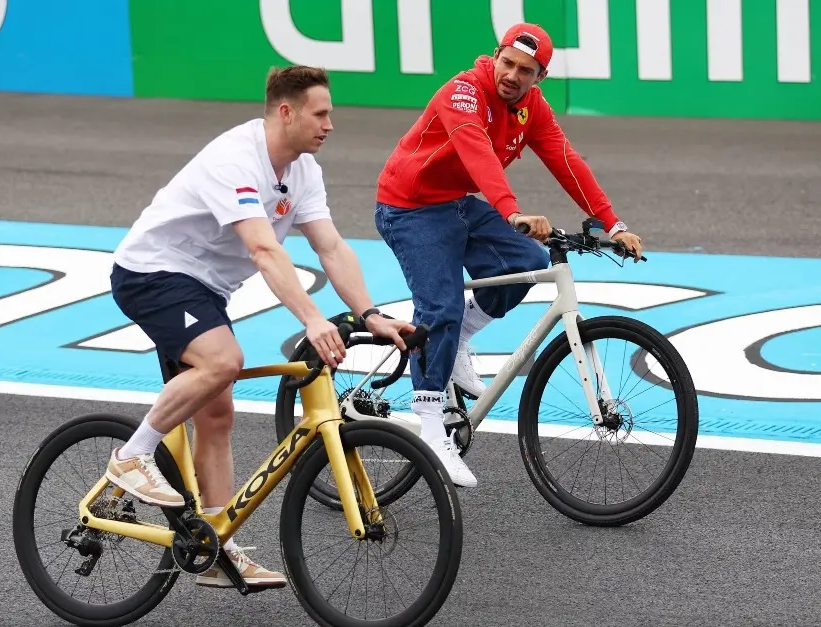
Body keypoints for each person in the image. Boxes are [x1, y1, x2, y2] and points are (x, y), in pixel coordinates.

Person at [107, 65, 417, 590]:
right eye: (321, 114)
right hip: (153, 272)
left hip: (204, 288)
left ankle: (214, 548)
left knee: (218, 414)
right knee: (223, 362)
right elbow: (263, 248)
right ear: (286, 112)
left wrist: (369, 313)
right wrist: (313, 319)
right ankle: (131, 456)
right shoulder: (236, 159)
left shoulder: (303, 171)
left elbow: (331, 247)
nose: (330, 125)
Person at [373, 23, 645, 488]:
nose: (513, 75)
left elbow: (565, 160)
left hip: (456, 203)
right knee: (438, 308)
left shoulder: (531, 107)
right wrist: (513, 212)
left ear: (539, 78)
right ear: (494, 56)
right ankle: (432, 430)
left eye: (527, 71)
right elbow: (477, 153)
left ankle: (458, 336)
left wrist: (611, 222)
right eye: (508, 63)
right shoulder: (463, 90)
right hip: (410, 207)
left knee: (528, 265)